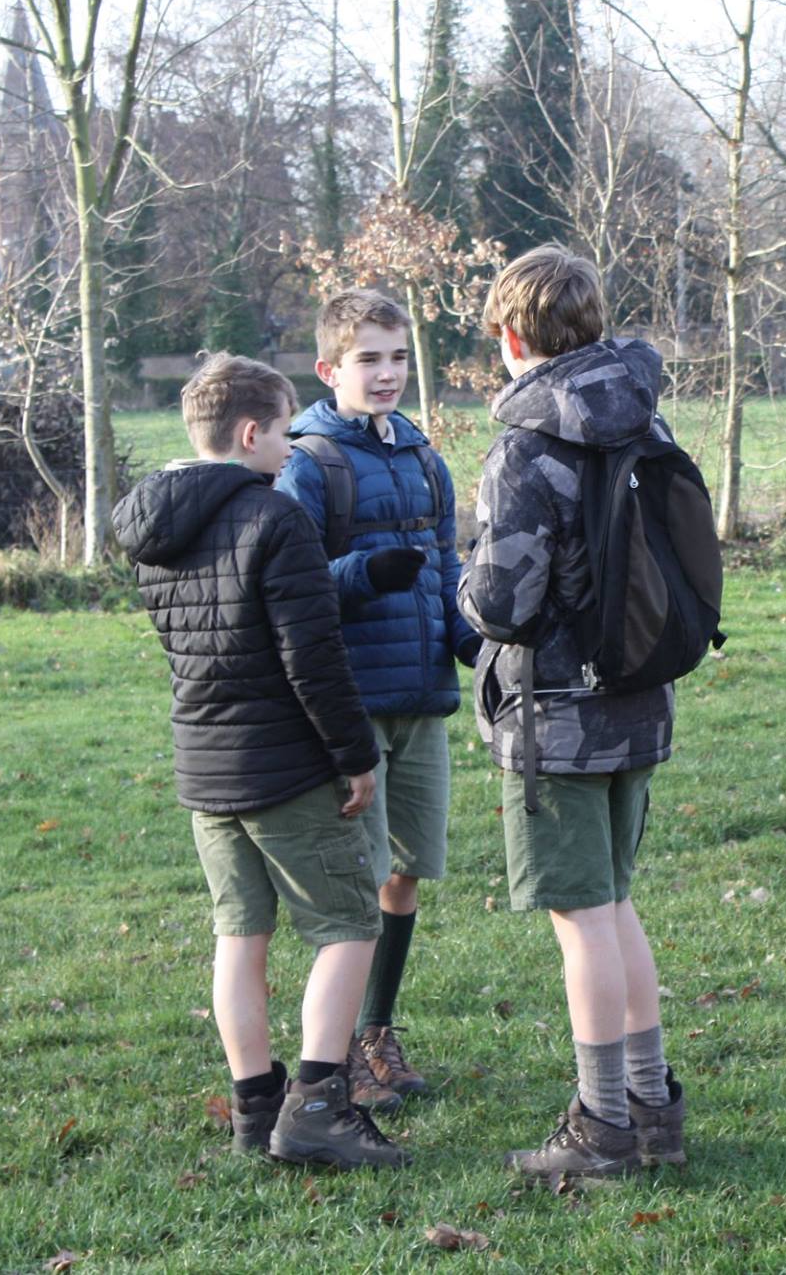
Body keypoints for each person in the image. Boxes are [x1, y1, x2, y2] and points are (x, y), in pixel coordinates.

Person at [112, 351, 404, 1168]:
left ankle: (255, 1108)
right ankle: (317, 1106)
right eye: (282, 430)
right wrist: (354, 754)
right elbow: (311, 657)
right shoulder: (277, 521)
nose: (290, 446)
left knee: (239, 937)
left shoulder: (152, 529)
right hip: (283, 764)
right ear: (250, 431)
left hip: (204, 768)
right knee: (349, 926)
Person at [460, 245, 686, 1177]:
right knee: (617, 905)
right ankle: (651, 1107)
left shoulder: (526, 447)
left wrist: (463, 589)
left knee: (581, 917)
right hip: (639, 695)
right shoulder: (647, 419)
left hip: (554, 717)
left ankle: (601, 1127)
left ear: (512, 336)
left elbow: (503, 603)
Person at [275, 289, 480, 1112]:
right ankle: (335, 1059)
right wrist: (363, 574)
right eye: (369, 358)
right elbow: (284, 588)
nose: (387, 372)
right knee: (356, 889)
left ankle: (376, 1032)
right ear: (330, 369)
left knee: (406, 876)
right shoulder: (309, 464)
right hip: (351, 705)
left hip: (422, 698)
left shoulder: (427, 458)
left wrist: (479, 645)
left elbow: (447, 575)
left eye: (398, 356)